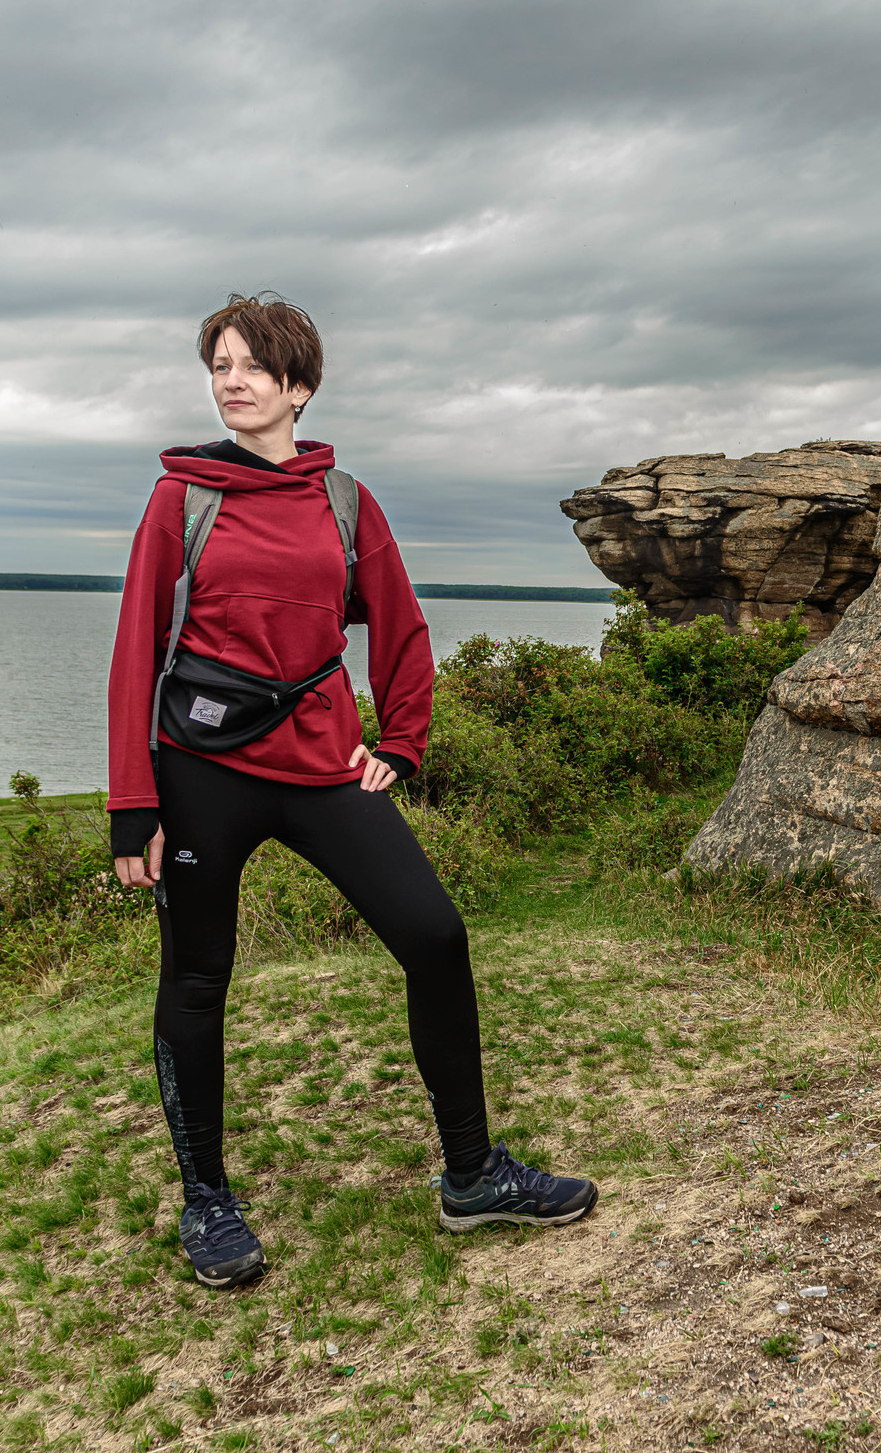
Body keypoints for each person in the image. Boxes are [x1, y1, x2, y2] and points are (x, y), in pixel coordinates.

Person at [107, 292, 597, 1289]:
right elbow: (134, 651)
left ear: (300, 384)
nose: (231, 381)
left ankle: (471, 1174)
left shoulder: (345, 501)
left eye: (252, 365)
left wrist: (401, 739)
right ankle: (208, 1199)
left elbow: (401, 626)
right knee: (198, 978)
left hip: (325, 765)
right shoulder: (182, 500)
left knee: (434, 933)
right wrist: (133, 805)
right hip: (201, 770)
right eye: (220, 365)